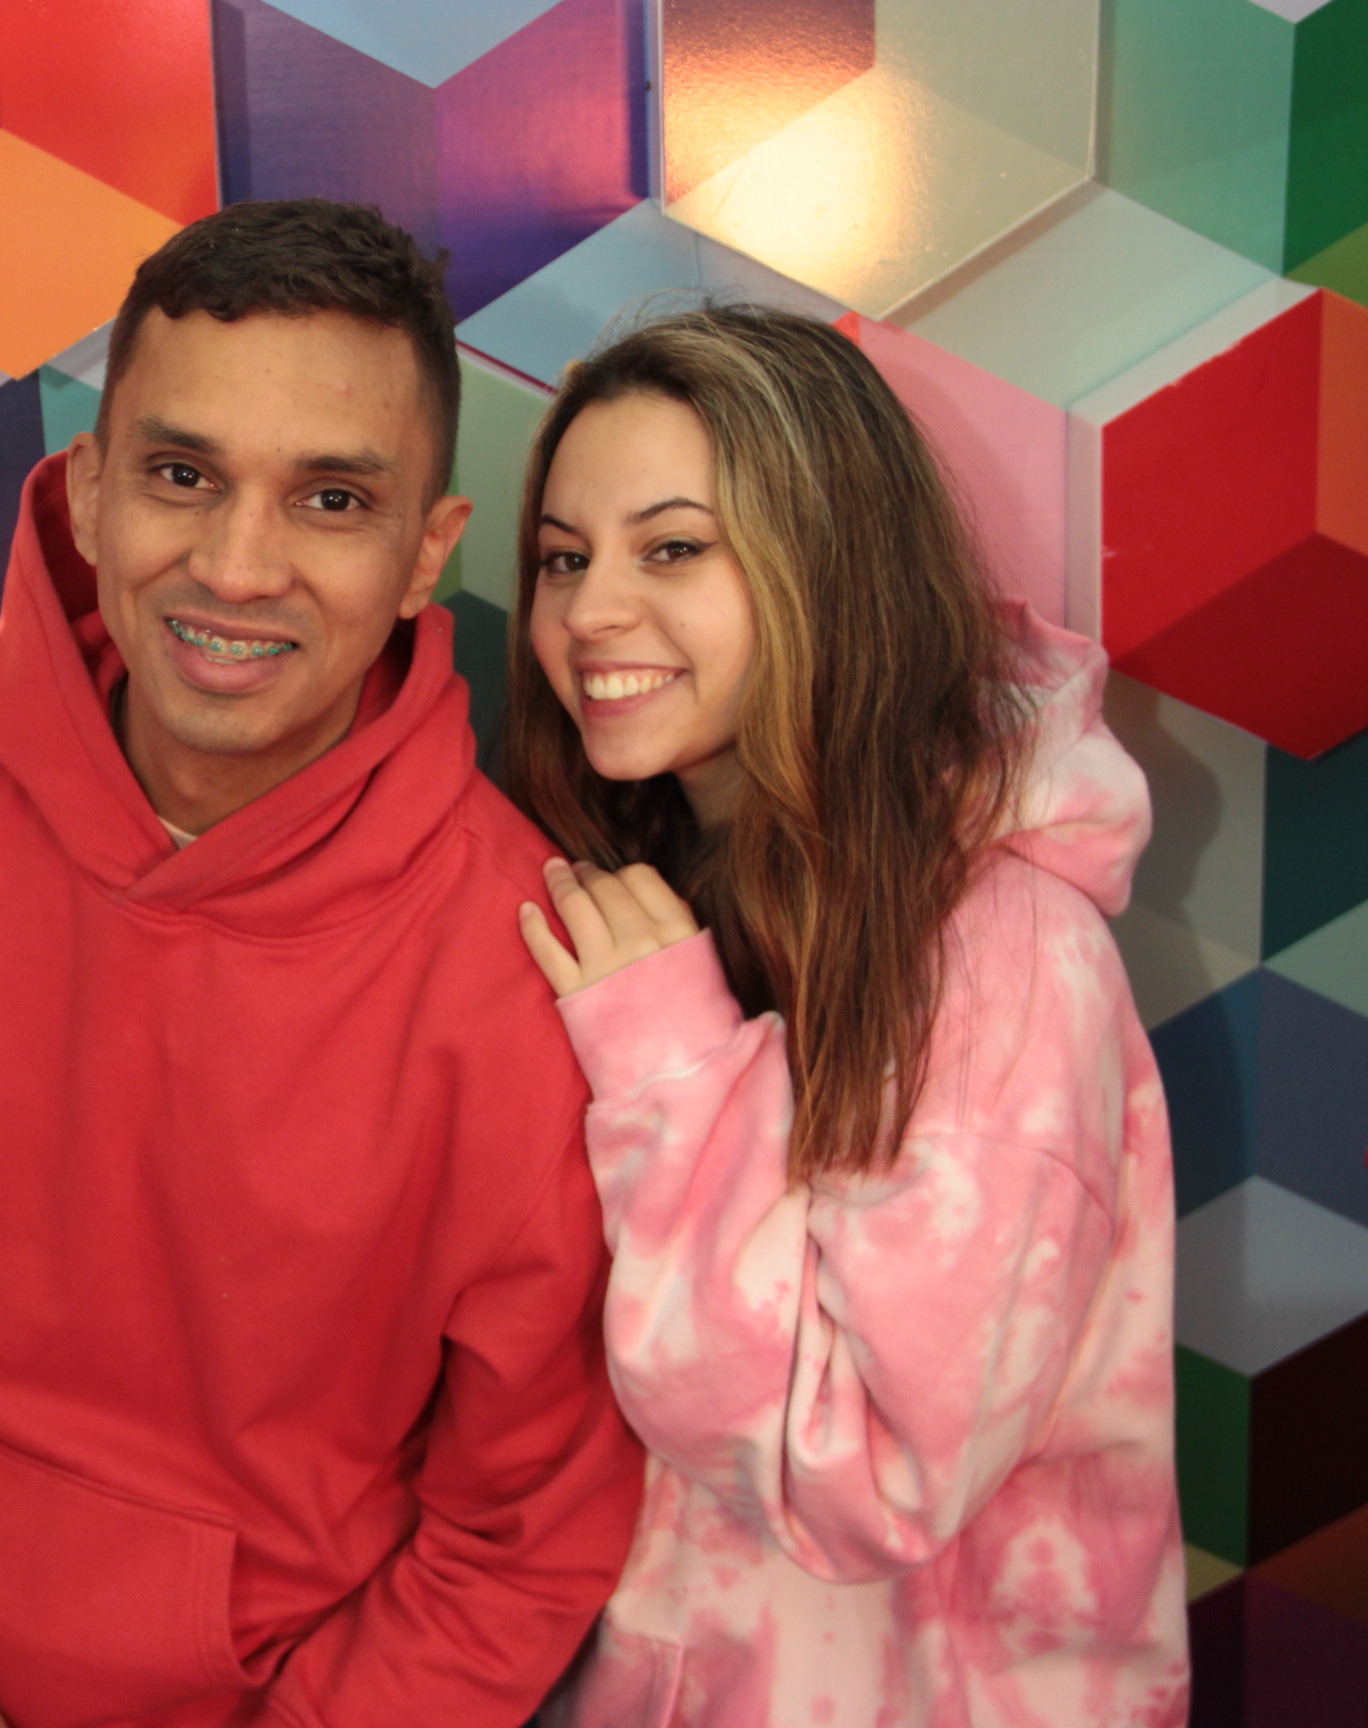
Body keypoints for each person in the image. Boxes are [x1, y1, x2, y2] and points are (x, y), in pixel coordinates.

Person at [0, 198, 646, 1728]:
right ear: (90, 489)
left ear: (426, 556)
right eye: (183, 476)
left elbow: (523, 1538)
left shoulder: (535, 978)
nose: (239, 568)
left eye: (330, 500)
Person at [507, 309, 1187, 1726]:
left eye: (672, 549)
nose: (589, 613)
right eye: (564, 558)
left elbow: (869, 1475)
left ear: (828, 563)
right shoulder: (645, 882)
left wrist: (676, 1066)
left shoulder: (1005, 952)